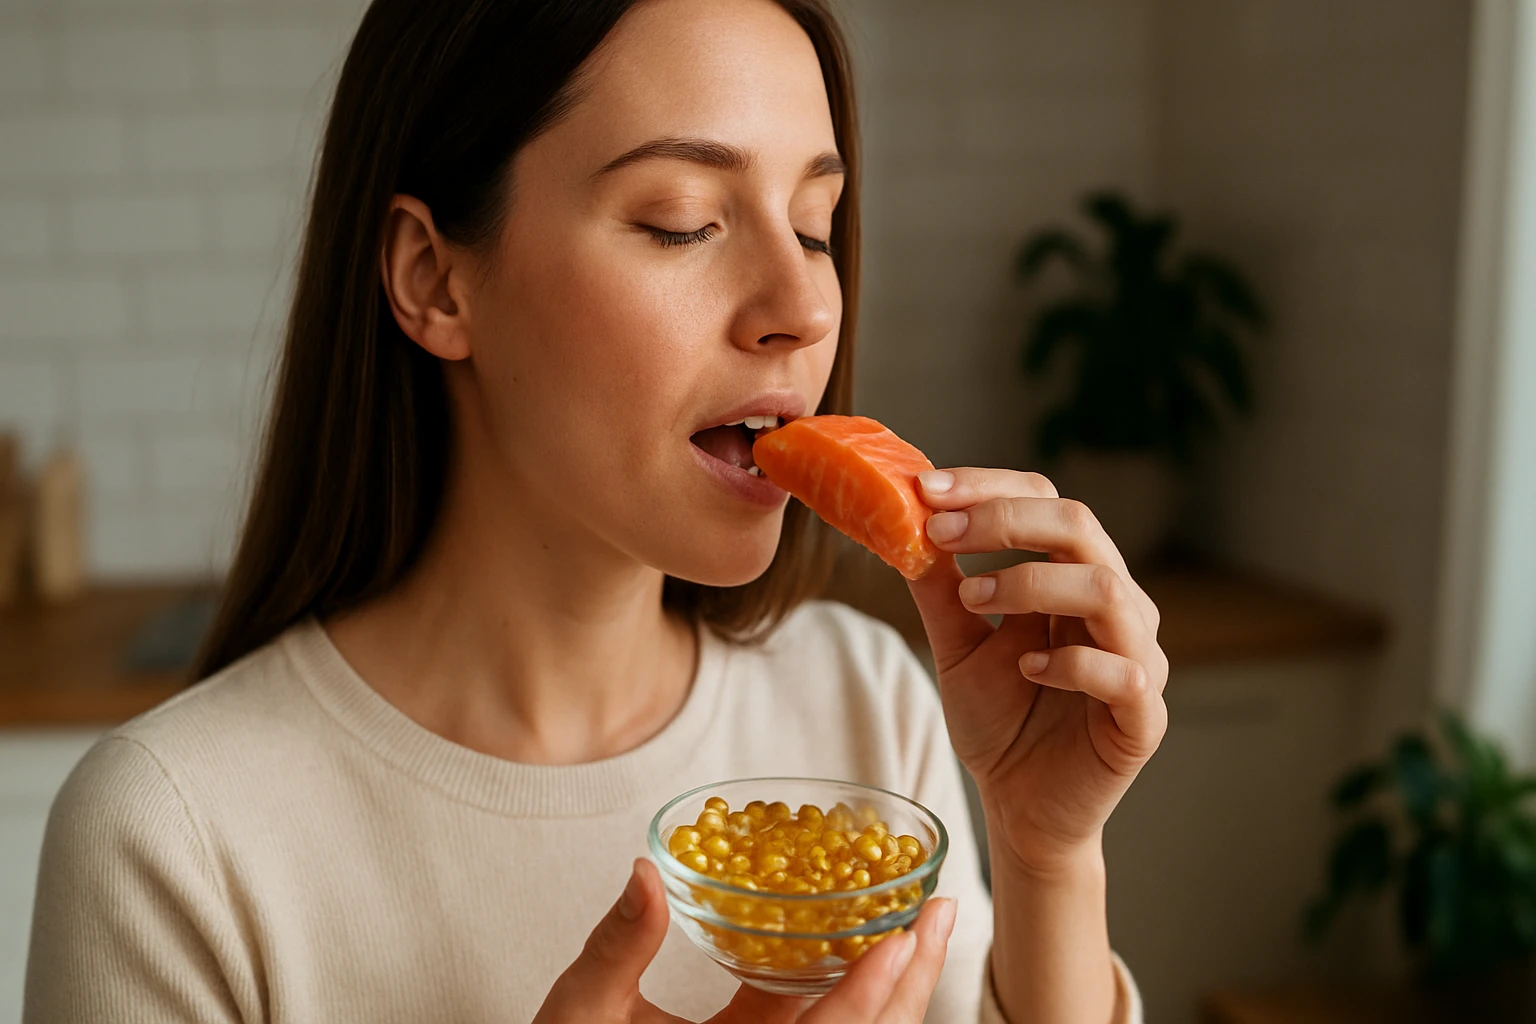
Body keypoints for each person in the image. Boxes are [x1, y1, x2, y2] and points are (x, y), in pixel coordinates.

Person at [23, 1, 1167, 1021]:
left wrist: (1047, 854)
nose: (803, 305)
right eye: (682, 220)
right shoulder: (170, 837)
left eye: (816, 225)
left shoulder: (864, 704)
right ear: (433, 277)